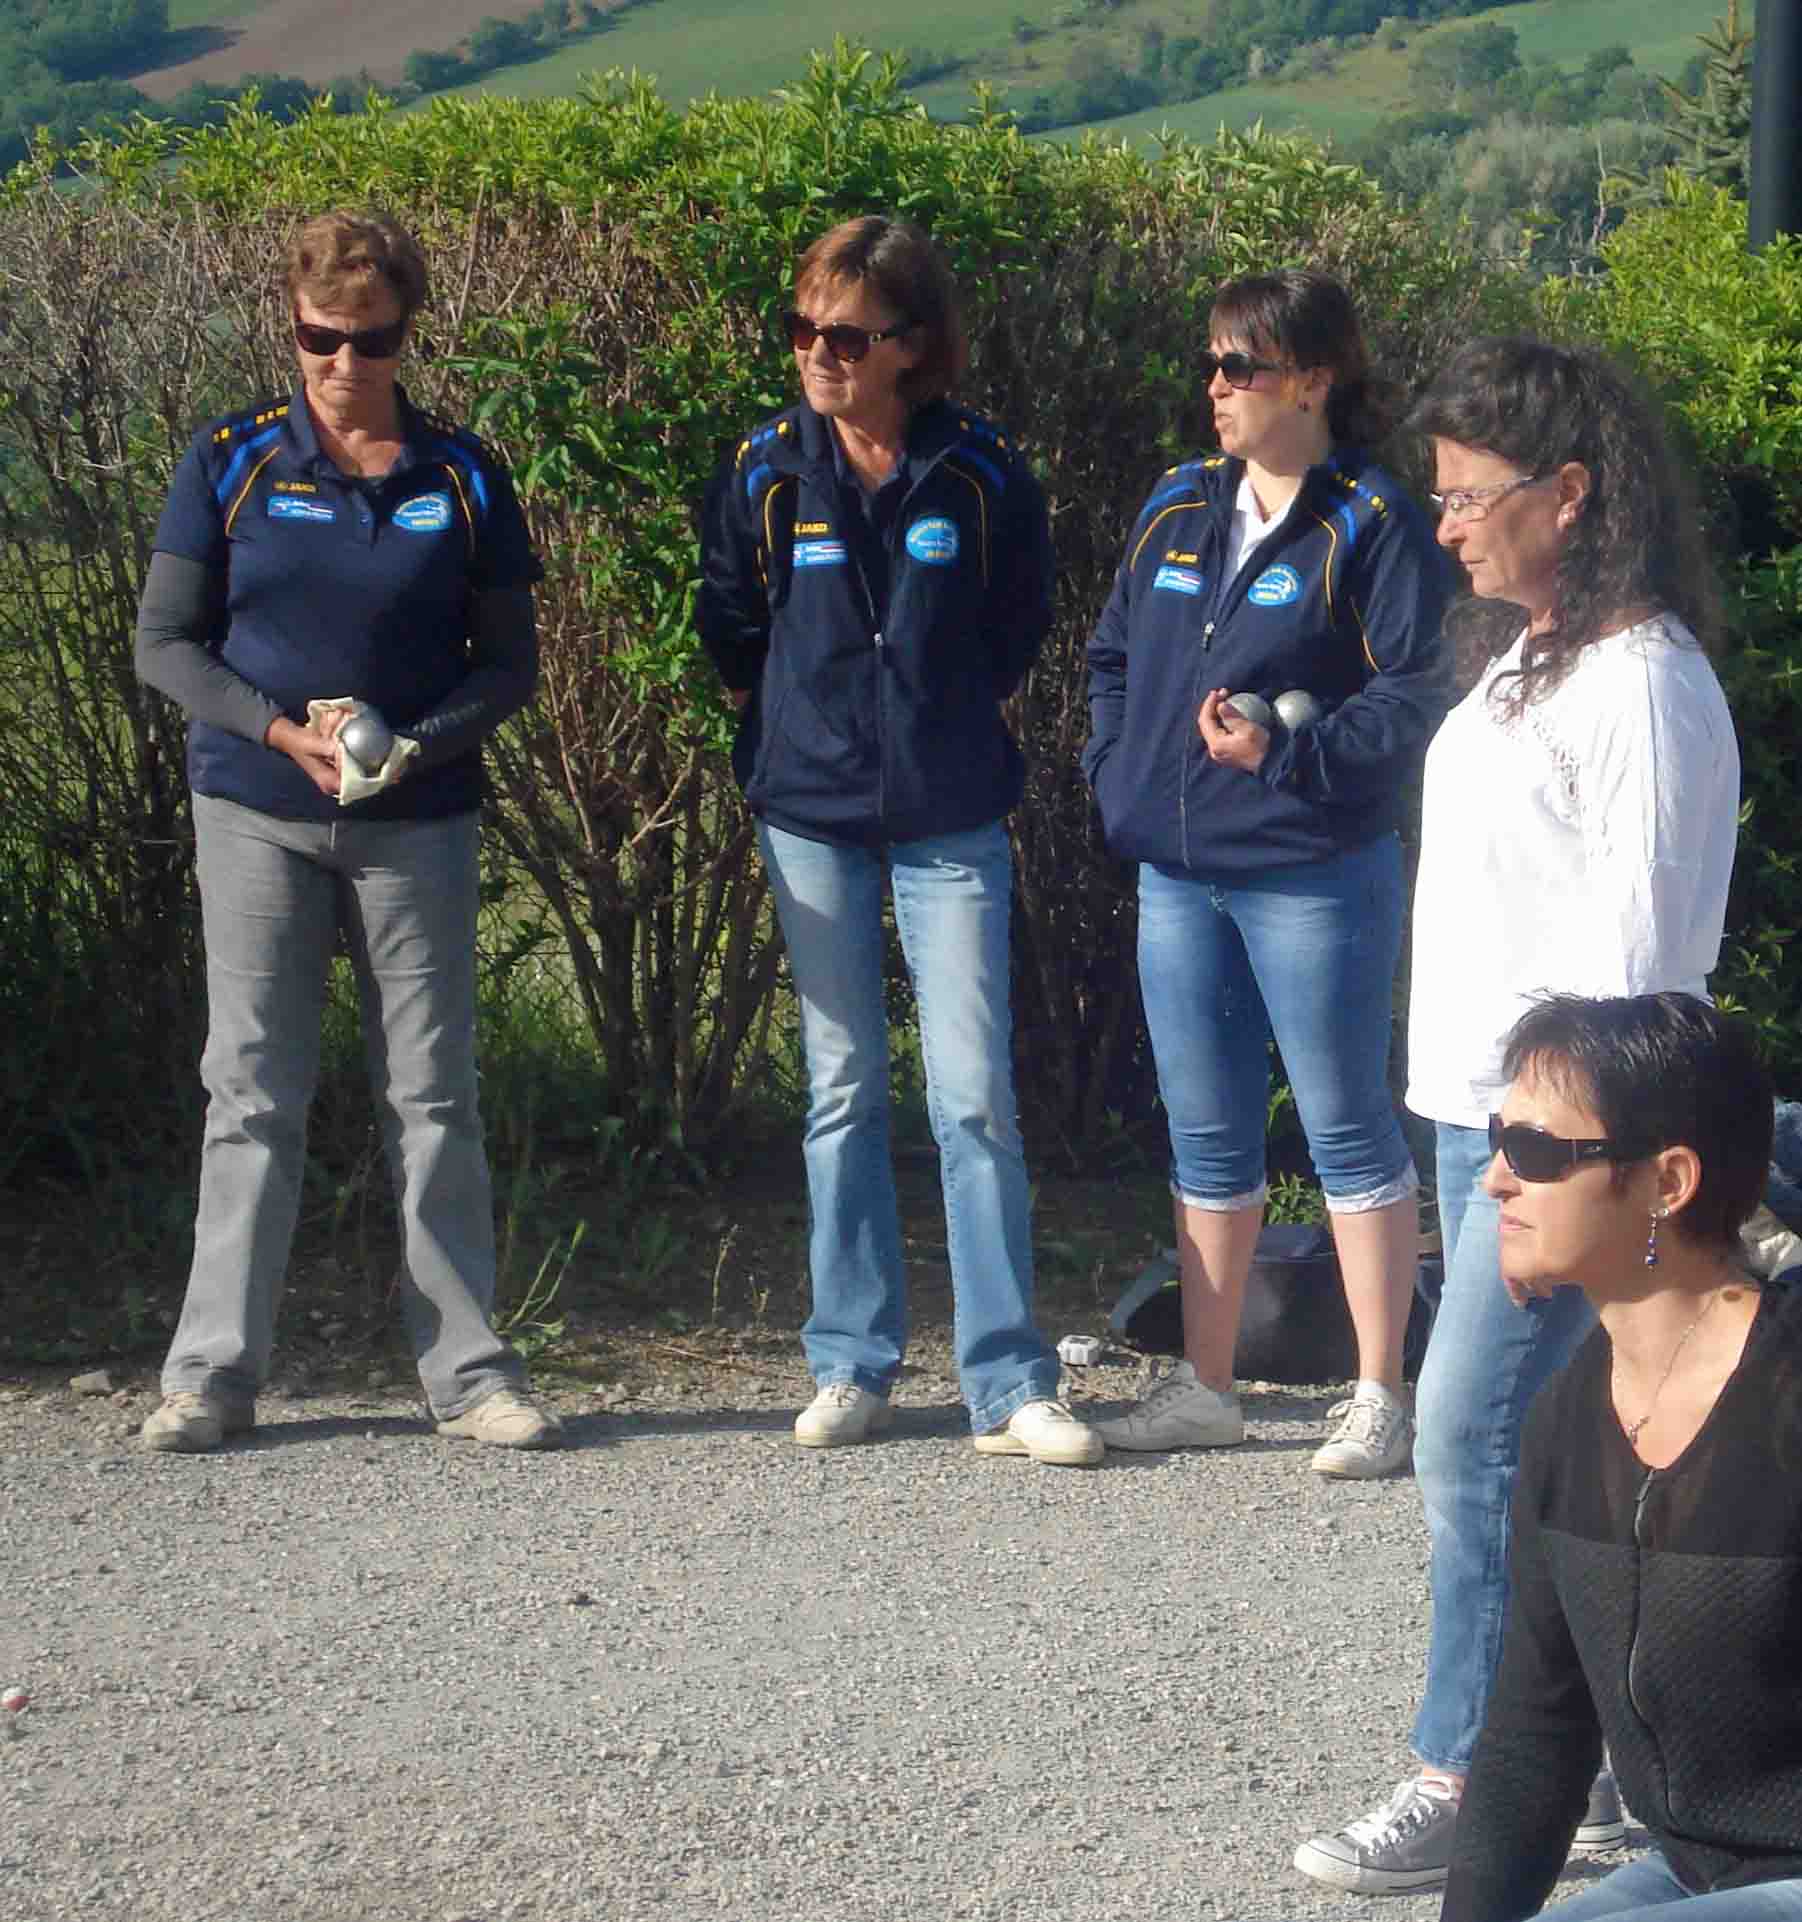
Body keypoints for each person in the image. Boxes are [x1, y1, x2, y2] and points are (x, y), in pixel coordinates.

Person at [1296, 337, 1741, 1889]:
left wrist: (1568, 1154)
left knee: (1469, 1439)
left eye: (1471, 495)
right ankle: (1599, 1766)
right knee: (1521, 1443)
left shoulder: (1638, 680)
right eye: (1436, 495)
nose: (1447, 525)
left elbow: (1641, 963)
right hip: (1480, 1121)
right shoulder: (1528, 650)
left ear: (1570, 491)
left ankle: (1471, 1760)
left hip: (1562, 1142)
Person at [135, 209, 559, 1452]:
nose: (340, 365)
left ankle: (471, 1373)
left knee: (434, 1095)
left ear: (403, 335)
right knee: (251, 1088)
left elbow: (510, 664)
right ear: (293, 325)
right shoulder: (232, 460)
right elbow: (165, 645)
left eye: (367, 342)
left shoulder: (465, 474)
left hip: (417, 813)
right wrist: (283, 733)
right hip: (257, 807)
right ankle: (209, 1373)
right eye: (319, 337)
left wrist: (417, 740)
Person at [695, 214, 1099, 1467]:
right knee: (840, 1089)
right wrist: (805, 726)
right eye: (803, 328)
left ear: (910, 347)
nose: (817, 353)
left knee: (972, 1096)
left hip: (948, 812)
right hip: (807, 812)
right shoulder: (763, 470)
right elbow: (728, 627)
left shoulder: (981, 473)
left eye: (847, 334)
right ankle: (851, 1361)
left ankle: (1008, 1381)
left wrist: (930, 716)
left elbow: (1016, 624)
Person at [1083, 268, 1451, 1477]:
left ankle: (1379, 1394)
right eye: (1210, 364)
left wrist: (1295, 749)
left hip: (1311, 868)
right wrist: (1112, 771)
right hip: (1177, 871)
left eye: (1237, 367)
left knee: (1347, 1132)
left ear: (1312, 380)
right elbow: (1111, 653)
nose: (1215, 388)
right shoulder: (1177, 499)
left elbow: (1417, 689)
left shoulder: (1373, 519)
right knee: (1206, 1140)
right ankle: (1203, 1383)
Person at [1438, 992, 1799, 1922]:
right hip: (1695, 1875)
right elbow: (1533, 1734)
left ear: (1669, 1182)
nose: (1495, 1181)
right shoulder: (1566, 1417)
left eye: (1538, 1153)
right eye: (1497, 1139)